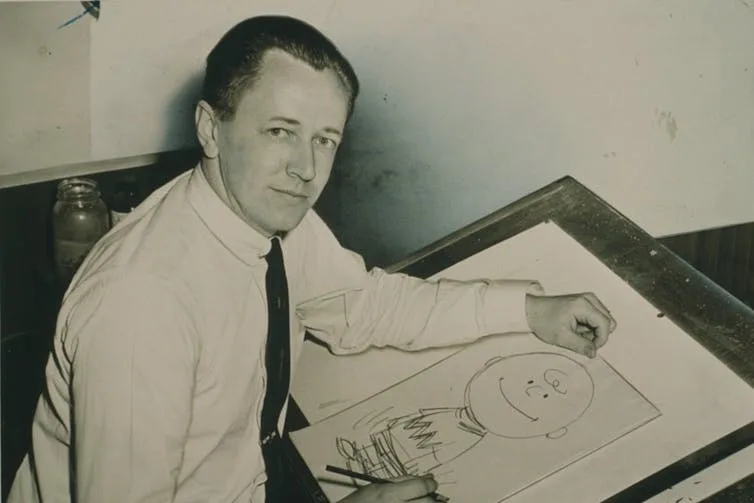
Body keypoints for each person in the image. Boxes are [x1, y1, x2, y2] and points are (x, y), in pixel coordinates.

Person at [8, 15, 616, 503]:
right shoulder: (143, 304)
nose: (306, 168)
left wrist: (527, 309)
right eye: (280, 131)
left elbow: (363, 306)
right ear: (210, 128)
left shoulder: (267, 214)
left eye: (324, 139)